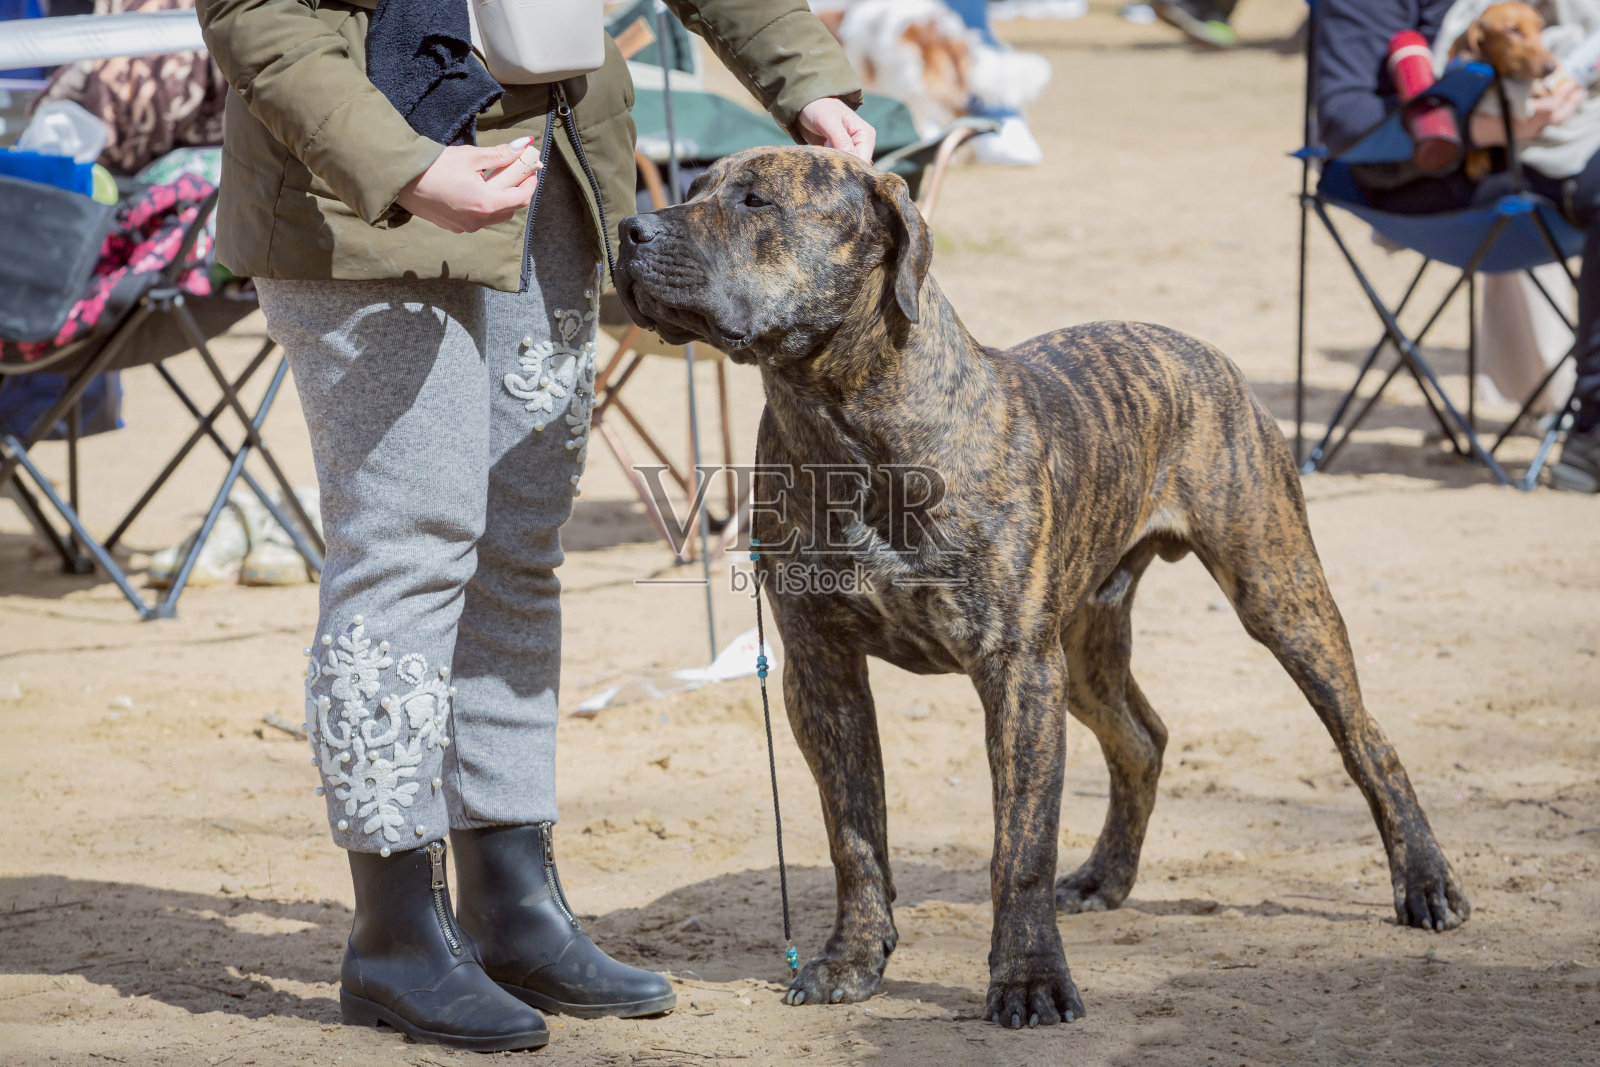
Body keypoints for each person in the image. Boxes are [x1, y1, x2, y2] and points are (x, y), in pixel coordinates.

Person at [194, 0, 874, 1052]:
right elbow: (260, 14)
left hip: (551, 173)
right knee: (408, 548)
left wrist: (808, 82)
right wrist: (408, 167)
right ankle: (394, 934)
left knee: (518, 549)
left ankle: (511, 905)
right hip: (358, 188)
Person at [1316, 0, 1600, 493]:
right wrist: (1501, 127)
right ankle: (1593, 431)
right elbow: (1347, 119)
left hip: (1554, 141)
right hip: (1426, 174)